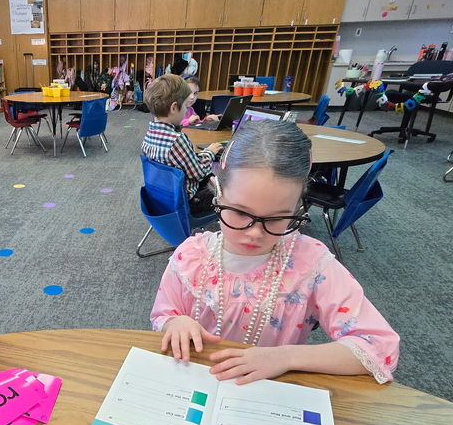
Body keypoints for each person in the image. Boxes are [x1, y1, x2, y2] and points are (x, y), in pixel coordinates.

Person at [151, 119, 399, 385]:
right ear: (218, 191)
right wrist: (173, 324)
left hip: (268, 394)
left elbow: (380, 348)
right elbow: (163, 314)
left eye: (278, 218)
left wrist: (286, 357)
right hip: (195, 382)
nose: (255, 232)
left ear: (298, 205)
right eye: (239, 212)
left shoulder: (311, 265)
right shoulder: (191, 256)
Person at [142, 74, 223, 215]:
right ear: (174, 108)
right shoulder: (177, 140)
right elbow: (198, 173)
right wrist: (210, 152)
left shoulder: (149, 135)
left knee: (212, 179)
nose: (186, 110)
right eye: (185, 106)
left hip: (162, 200)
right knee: (228, 190)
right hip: (187, 204)